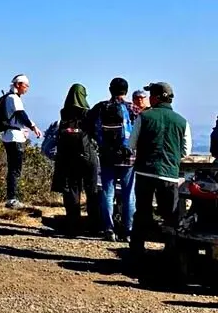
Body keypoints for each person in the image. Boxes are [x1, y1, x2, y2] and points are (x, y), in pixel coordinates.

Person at [128, 82, 193, 256]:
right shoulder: (182, 121)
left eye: (150, 95)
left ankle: (137, 249)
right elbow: (186, 151)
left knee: (142, 212)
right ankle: (171, 250)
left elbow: (132, 143)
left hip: (145, 171)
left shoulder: (144, 117)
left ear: (156, 98)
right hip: (169, 174)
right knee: (170, 215)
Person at [88, 78, 135, 241]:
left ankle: (109, 229)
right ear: (126, 91)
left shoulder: (101, 107)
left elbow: (87, 124)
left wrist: (99, 142)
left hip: (107, 155)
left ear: (110, 89)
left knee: (108, 193)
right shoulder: (132, 108)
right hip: (128, 157)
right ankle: (128, 231)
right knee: (129, 194)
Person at [51, 84, 100, 235]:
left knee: (72, 189)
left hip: (68, 158)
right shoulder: (88, 114)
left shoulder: (64, 114)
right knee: (92, 190)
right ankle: (94, 225)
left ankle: (73, 224)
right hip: (88, 157)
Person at [3, 75, 42, 209]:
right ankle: (12, 199)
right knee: (15, 169)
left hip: (9, 135)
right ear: (18, 84)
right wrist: (33, 127)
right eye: (26, 85)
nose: (27, 88)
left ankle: (12, 197)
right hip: (15, 137)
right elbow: (21, 115)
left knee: (13, 168)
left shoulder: (9, 97)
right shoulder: (14, 98)